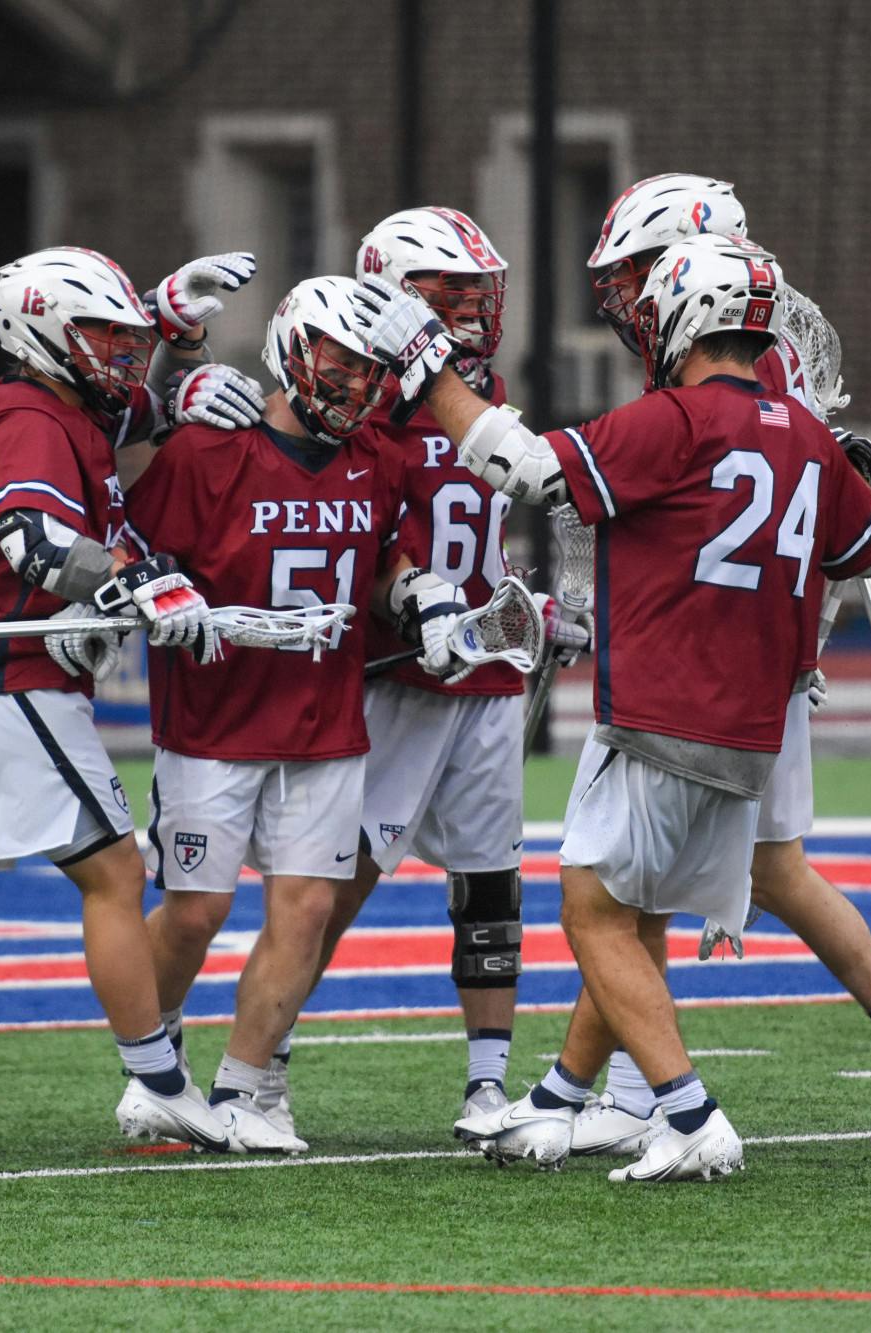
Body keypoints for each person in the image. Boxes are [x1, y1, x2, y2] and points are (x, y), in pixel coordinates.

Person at [355, 232, 871, 1182]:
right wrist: (853, 467)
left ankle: (687, 1112)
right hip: (753, 731)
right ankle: (566, 1098)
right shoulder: (807, 437)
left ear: (688, 314)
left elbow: (529, 470)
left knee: (595, 915)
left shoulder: (680, 419)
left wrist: (429, 371)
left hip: (663, 707)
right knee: (630, 908)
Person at [0, 246, 265, 1160]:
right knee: (114, 876)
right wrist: (140, 580)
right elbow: (34, 541)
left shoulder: (49, 403)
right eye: (103, 335)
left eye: (124, 334)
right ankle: (161, 1083)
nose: (122, 353)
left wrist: (172, 328)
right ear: (43, 335)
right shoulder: (31, 418)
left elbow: (131, 410)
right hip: (11, 684)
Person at [578, 173, 871, 1150]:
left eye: (642, 271)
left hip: (718, 666)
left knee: (626, 884)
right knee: (764, 873)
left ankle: (624, 1098)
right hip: (764, 657)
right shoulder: (768, 363)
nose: (631, 294)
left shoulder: (722, 374)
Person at [125, 274, 467, 1153]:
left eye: (369, 368)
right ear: (290, 349)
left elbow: (383, 559)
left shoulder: (381, 457)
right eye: (340, 362)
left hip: (323, 719)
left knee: (308, 909)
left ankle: (243, 1088)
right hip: (215, 717)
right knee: (195, 910)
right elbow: (132, 539)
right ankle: (153, 1060)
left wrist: (417, 593)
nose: (356, 382)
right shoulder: (209, 452)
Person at [268, 207, 591, 1140]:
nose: (467, 308)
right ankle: (264, 1064)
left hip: (487, 676)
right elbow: (347, 537)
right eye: (444, 291)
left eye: (474, 291)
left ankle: (488, 1086)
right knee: (333, 882)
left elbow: (546, 499)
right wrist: (413, 601)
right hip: (397, 674)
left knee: (492, 882)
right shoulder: (364, 403)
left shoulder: (476, 397)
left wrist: (553, 600)